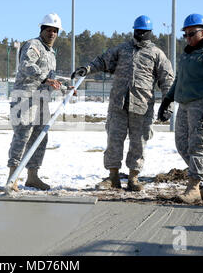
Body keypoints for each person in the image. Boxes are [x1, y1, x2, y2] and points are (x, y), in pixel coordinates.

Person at [72, 15, 174, 191]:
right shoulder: (122, 49)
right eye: (137, 31)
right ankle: (113, 177)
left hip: (142, 107)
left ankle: (133, 178)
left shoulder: (157, 54)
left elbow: (167, 80)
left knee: (138, 142)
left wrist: (168, 104)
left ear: (149, 33)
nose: (140, 35)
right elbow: (103, 60)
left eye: (143, 32)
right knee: (114, 140)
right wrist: (87, 69)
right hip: (118, 105)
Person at [158, 13, 203, 204]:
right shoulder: (188, 55)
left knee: (197, 145)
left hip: (201, 104)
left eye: (192, 33)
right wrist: (167, 100)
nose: (188, 38)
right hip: (185, 105)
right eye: (185, 34)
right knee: (182, 145)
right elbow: (179, 80)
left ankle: (194, 188)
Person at [7, 13, 68, 191]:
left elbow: (51, 78)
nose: (52, 34)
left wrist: (66, 87)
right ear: (42, 30)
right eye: (49, 30)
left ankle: (32, 176)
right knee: (22, 136)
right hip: (25, 97)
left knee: (40, 138)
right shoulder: (33, 45)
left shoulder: (51, 53)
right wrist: (44, 79)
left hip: (42, 100)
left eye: (55, 31)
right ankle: (12, 177)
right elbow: (26, 65)